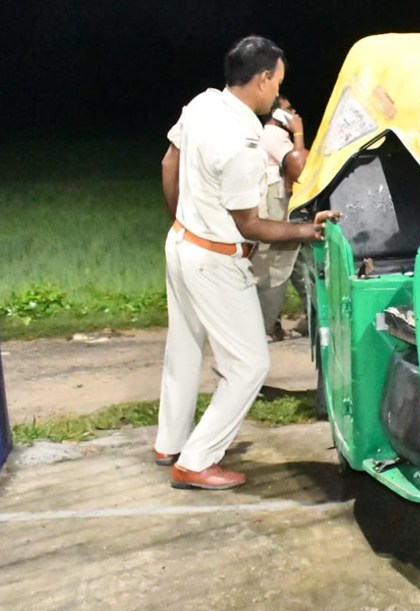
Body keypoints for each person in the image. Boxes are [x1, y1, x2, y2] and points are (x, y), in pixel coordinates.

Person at [156, 36, 340, 490]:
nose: (278, 92)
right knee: (249, 366)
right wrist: (307, 230)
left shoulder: (202, 104)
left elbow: (168, 161)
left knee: (183, 348)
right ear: (262, 79)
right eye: (277, 82)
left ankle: (170, 443)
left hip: (180, 244)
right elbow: (251, 226)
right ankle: (195, 461)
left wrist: (184, 221)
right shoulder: (242, 141)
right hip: (214, 260)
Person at [251, 95, 309, 341]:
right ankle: (264, 327)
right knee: (277, 263)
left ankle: (311, 316)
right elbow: (299, 166)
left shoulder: (273, 136)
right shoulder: (273, 136)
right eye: (288, 109)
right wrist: (298, 133)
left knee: (297, 262)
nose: (293, 112)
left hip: (281, 203)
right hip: (276, 207)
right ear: (276, 113)